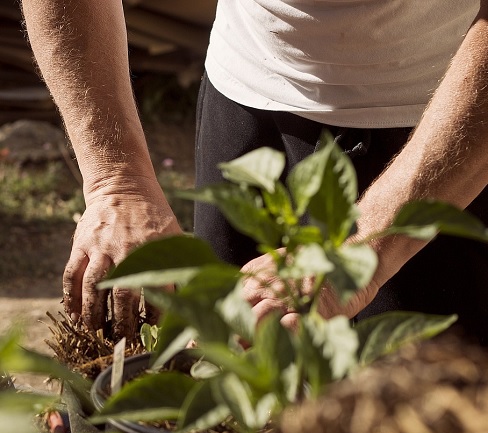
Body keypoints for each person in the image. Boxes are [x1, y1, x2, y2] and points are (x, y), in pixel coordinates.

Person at [21, 1, 488, 343]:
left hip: (442, 131)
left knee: (409, 417)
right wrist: (116, 180)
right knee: (227, 377)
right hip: (244, 95)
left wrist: (361, 249)